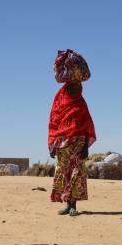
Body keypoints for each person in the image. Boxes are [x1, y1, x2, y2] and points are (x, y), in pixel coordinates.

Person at [48, 50, 96, 216]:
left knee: (76, 173)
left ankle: (73, 205)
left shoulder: (81, 104)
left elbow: (86, 124)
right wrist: (52, 144)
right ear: (68, 85)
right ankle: (67, 204)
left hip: (78, 143)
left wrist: (86, 147)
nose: (77, 89)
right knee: (63, 172)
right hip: (62, 142)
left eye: (78, 86)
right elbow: (54, 121)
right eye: (74, 86)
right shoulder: (60, 99)